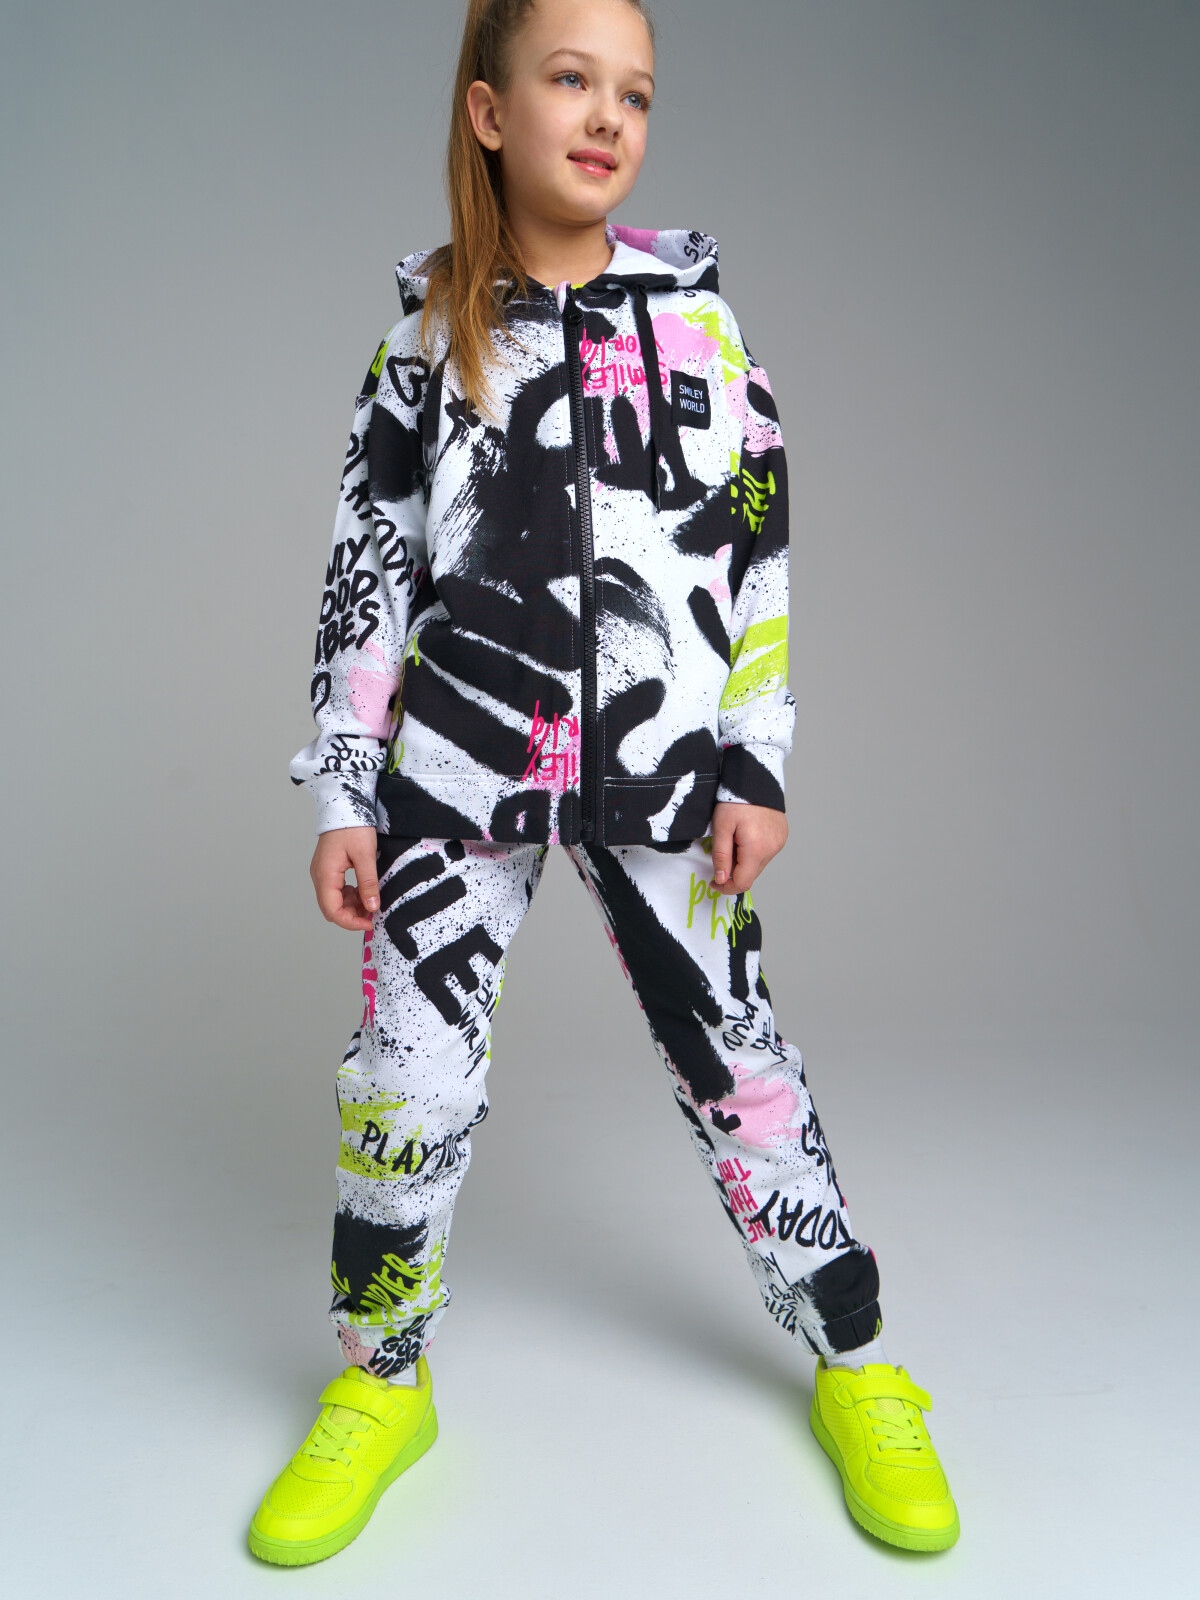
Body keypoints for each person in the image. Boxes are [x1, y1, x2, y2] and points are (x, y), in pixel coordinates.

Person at [248, 0, 959, 1567]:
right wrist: (346, 790)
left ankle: (859, 1361)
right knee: (405, 1084)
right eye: (570, 79)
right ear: (490, 110)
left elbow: (756, 558)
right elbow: (368, 575)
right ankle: (379, 1381)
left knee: (740, 1066)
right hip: (457, 770)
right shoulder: (426, 341)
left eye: (633, 92)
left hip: (667, 769)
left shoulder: (702, 329)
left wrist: (755, 758)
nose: (606, 116)